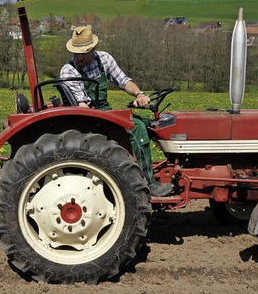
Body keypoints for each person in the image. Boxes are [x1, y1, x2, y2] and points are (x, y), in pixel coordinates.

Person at [59, 25, 174, 197]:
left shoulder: (103, 59)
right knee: (136, 128)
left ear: (93, 48)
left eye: (83, 52)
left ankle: (135, 167)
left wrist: (139, 93)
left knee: (147, 123)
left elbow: (123, 80)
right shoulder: (69, 71)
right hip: (89, 116)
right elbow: (83, 108)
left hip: (103, 111)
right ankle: (147, 183)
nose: (79, 57)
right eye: (76, 52)